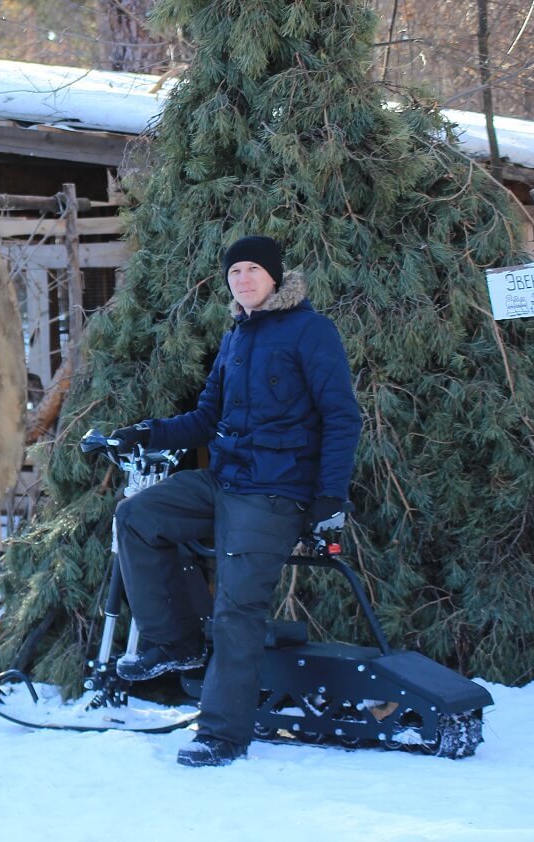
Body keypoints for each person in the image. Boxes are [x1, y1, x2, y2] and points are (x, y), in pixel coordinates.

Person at [109, 235, 362, 768]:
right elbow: (205, 418)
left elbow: (341, 416)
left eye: (253, 270)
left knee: (237, 608)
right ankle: (174, 642)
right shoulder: (236, 337)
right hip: (225, 481)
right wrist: (144, 434)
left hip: (275, 491)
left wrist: (329, 496)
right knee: (138, 516)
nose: (243, 279)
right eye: (235, 272)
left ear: (275, 277)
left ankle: (222, 734)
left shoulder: (310, 331)